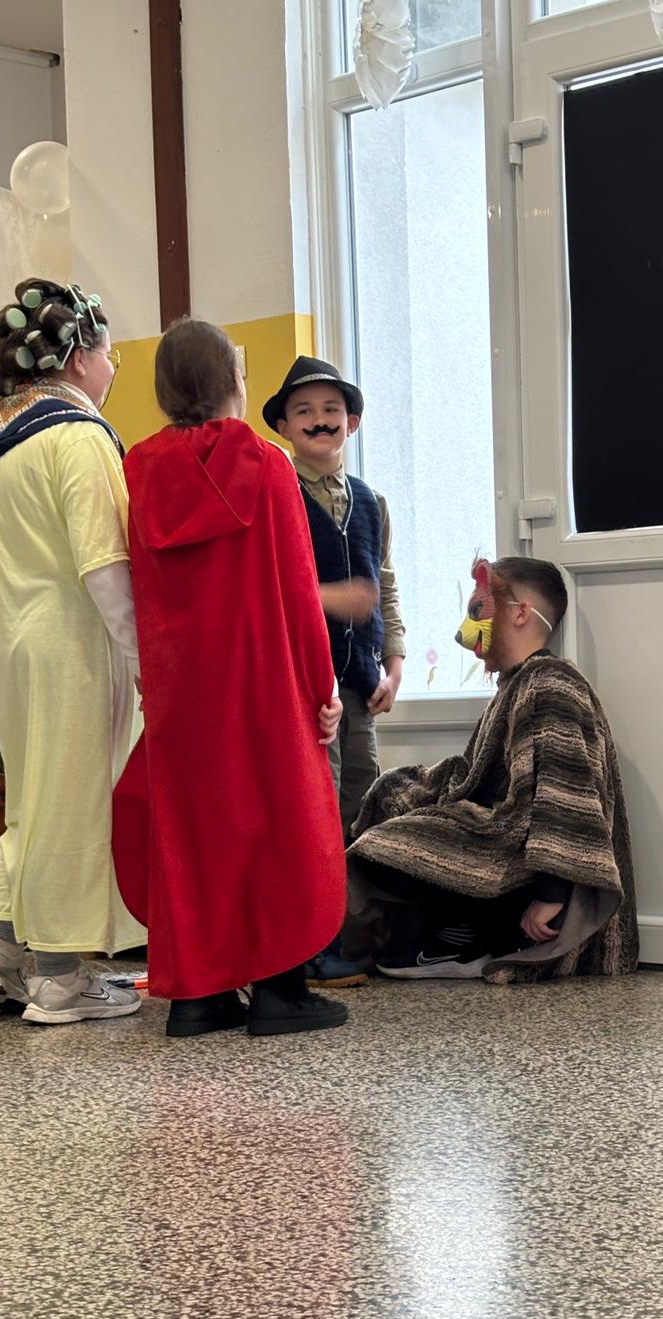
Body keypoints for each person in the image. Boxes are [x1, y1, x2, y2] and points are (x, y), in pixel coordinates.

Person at [111, 319, 350, 1038]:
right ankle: (281, 990)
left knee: (194, 835)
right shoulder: (267, 464)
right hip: (264, 679)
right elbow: (297, 590)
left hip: (182, 688)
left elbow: (140, 583)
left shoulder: (138, 469)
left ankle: (198, 996)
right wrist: (323, 688)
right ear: (233, 383)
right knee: (281, 825)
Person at [0, 278, 143, 1025]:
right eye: (109, 352)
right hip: (74, 643)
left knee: (32, 794)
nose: (114, 366)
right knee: (72, 800)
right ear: (77, 356)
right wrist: (146, 661)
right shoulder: (80, 437)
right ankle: (61, 978)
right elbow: (105, 569)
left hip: (8, 640)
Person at [342, 556, 639, 982]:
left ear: (520, 613)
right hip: (505, 841)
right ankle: (451, 931)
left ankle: (468, 938)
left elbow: (565, 796)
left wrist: (551, 893)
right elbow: (477, 777)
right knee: (387, 801)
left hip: (530, 868)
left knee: (378, 854)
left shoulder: (551, 684)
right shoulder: (515, 684)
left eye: (478, 609)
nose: (466, 629)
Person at [263, 357, 406, 988]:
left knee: (356, 802)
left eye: (330, 410)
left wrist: (393, 664)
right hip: (302, 683)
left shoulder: (372, 502)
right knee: (311, 807)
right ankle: (307, 943)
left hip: (360, 682)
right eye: (303, 411)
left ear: (351, 422)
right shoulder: (278, 496)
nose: (319, 421)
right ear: (283, 427)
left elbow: (385, 586)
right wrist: (328, 599)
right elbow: (266, 585)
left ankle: (345, 932)